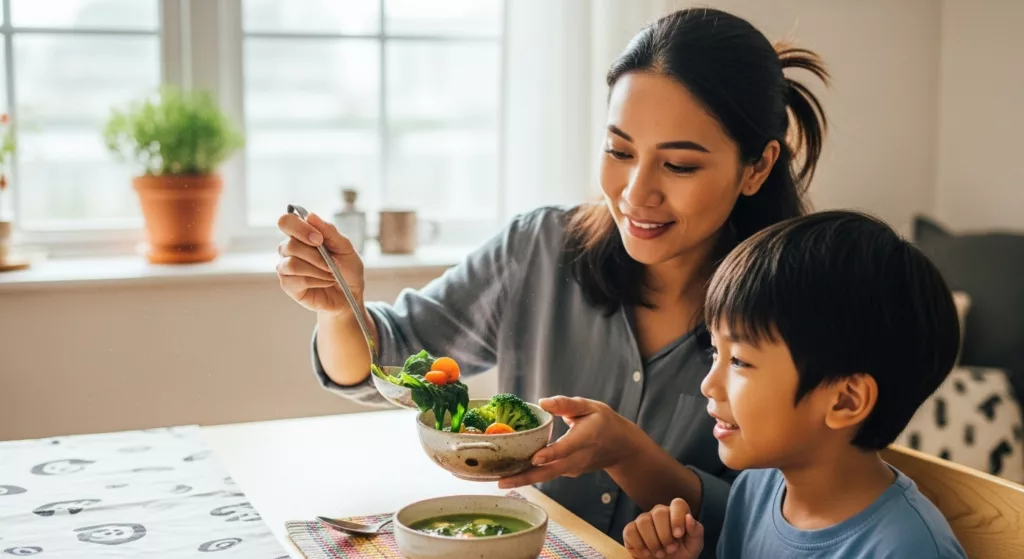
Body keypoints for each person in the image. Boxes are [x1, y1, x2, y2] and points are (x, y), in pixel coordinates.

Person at [275, 7, 828, 551]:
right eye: (619, 150)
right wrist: (339, 307)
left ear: (756, 166)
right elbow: (383, 369)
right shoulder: (539, 248)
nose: (636, 193)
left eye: (679, 165)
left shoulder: (797, 311)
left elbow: (781, 527)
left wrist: (630, 454)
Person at [622, 210, 967, 559]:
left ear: (845, 401)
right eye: (715, 352)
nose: (709, 385)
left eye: (740, 360)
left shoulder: (906, 550)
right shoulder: (756, 489)